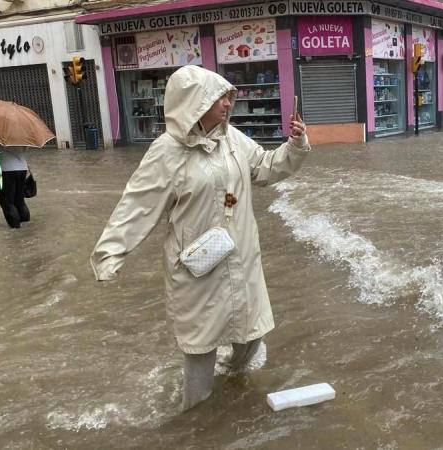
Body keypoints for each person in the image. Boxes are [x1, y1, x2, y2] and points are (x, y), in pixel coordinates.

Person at [90, 65, 311, 411]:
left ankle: (232, 383)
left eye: (227, 97)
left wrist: (295, 146)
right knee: (200, 345)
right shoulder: (167, 151)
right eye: (219, 97)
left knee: (250, 333)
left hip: (241, 256)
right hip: (198, 267)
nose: (227, 104)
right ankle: (194, 416)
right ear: (195, 103)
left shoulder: (232, 140)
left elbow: (265, 167)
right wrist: (110, 253)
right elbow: (137, 204)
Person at [0, 138, 31, 228]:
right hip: (22, 168)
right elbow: (25, 148)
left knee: (7, 202)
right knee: (19, 200)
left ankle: (15, 231)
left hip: (6, 169)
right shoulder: (20, 132)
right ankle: (26, 228)